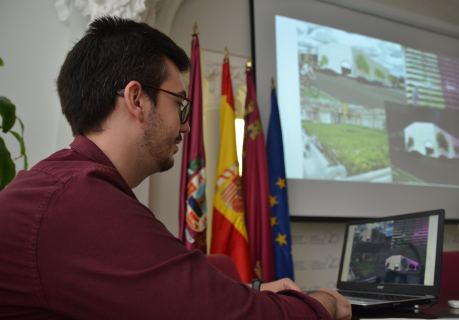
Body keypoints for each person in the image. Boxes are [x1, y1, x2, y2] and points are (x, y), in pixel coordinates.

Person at [0, 16, 351, 319]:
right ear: (137, 99)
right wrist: (324, 302)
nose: (186, 125)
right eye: (181, 105)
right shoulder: (78, 200)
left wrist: (248, 288)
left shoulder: (70, 184)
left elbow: (160, 283)